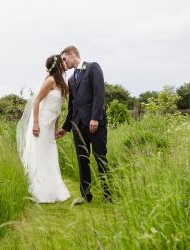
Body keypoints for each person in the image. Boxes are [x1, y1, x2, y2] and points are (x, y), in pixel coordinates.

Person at [57, 46, 111, 204]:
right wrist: (66, 128)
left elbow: (99, 93)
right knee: (82, 159)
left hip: (95, 124)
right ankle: (85, 195)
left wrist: (95, 117)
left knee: (100, 157)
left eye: (64, 59)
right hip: (77, 125)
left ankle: (108, 195)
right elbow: (72, 106)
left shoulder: (93, 67)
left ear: (73, 54)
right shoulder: (71, 79)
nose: (64, 63)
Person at [16, 55, 70, 203]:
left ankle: (52, 189)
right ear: (58, 64)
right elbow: (37, 101)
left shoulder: (61, 83)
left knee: (50, 154)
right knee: (39, 153)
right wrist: (35, 123)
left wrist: (56, 127)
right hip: (40, 122)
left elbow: (58, 108)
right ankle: (38, 190)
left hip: (50, 124)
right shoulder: (50, 80)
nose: (65, 63)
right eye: (63, 60)